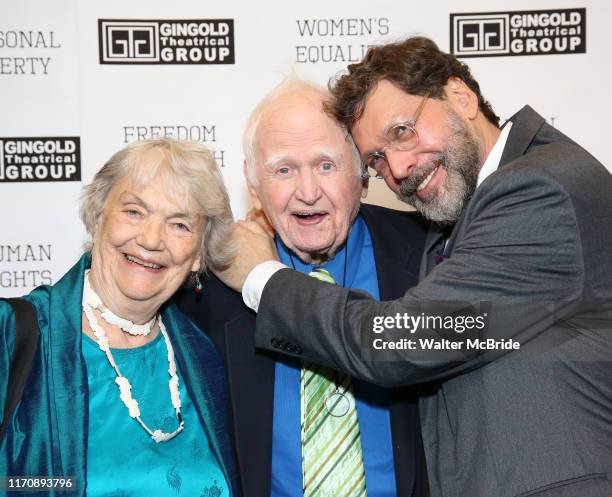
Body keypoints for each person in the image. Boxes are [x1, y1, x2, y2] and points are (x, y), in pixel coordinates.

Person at [214, 37, 612, 497]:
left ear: (460, 96)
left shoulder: (538, 189)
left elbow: (400, 342)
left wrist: (262, 277)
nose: (399, 168)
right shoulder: (464, 218)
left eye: (402, 131)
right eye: (377, 158)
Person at [177, 80, 428, 497]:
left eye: (326, 165)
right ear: (252, 182)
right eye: (283, 169)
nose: (307, 192)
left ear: (362, 174)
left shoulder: (428, 258)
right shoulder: (206, 286)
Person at [0, 138, 238, 496]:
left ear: (198, 256)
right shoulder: (12, 333)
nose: (152, 240)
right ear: (98, 217)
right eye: (134, 212)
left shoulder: (204, 357)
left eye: (180, 225)